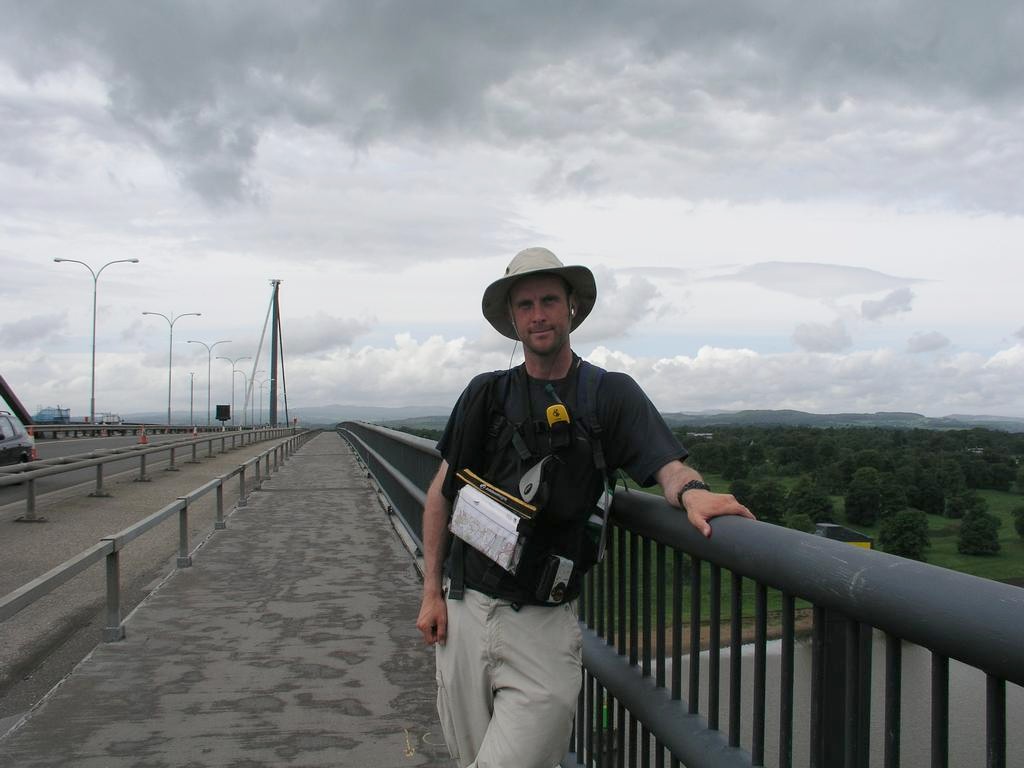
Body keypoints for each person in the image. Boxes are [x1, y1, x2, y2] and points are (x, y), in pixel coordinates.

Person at [416, 247, 755, 767]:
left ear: (571, 307)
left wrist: (692, 492)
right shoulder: (486, 395)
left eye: (549, 300)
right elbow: (443, 492)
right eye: (525, 304)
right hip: (464, 608)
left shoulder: (608, 395)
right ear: (512, 318)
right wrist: (431, 593)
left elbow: (666, 465)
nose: (538, 314)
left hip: (544, 624)